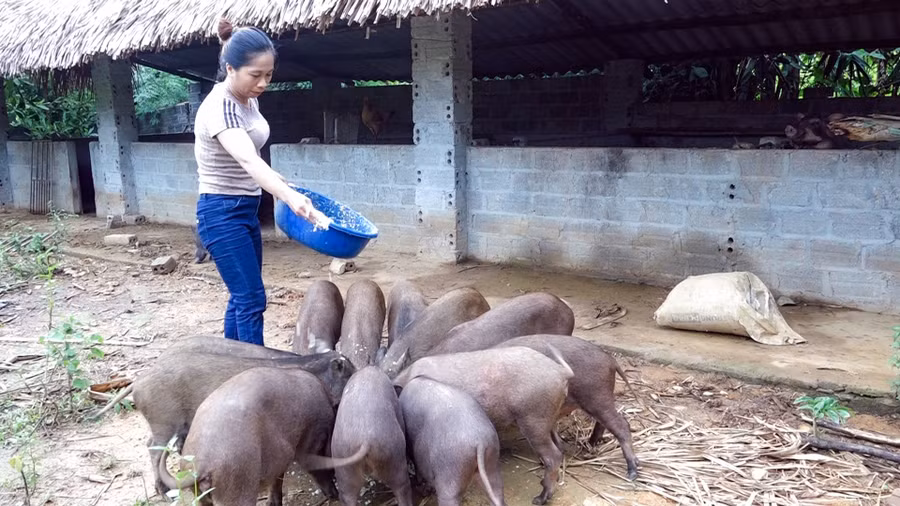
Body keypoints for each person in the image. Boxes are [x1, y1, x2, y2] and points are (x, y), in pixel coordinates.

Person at [193, 19, 329, 346]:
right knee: (252, 299)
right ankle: (257, 371)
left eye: (268, 74)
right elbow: (248, 159)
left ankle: (232, 359)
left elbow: (253, 156)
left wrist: (284, 185)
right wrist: (288, 197)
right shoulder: (220, 106)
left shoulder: (248, 98)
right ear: (230, 68)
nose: (263, 83)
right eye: (255, 75)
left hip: (245, 208)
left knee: (242, 295)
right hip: (221, 213)